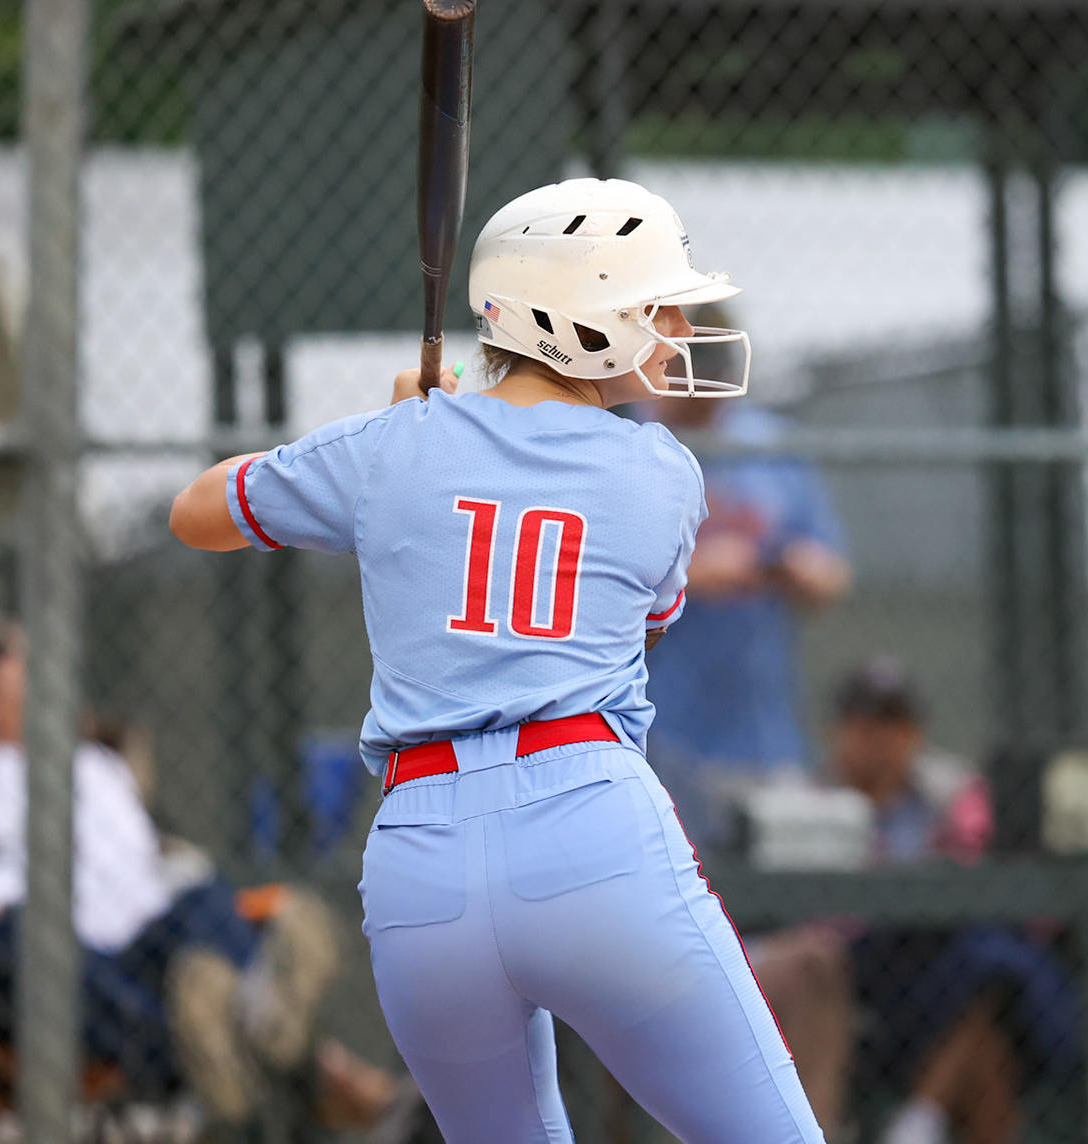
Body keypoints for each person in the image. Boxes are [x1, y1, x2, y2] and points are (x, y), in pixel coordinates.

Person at [168, 177, 826, 1144]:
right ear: (579, 321)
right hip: (590, 828)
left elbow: (197, 513)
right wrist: (445, 424)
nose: (674, 327)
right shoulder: (662, 472)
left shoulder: (393, 444)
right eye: (649, 305)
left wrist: (404, 428)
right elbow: (645, 616)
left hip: (417, 863)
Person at [0, 611, 370, 1134]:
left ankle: (232, 1024)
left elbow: (141, 885)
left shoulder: (60, 772)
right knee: (22, 933)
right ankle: (237, 1045)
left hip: (118, 959)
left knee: (202, 894)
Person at [759, 659, 1083, 1144]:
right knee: (991, 979)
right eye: (865, 722)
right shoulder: (803, 803)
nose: (880, 738)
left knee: (992, 979)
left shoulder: (952, 795)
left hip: (934, 969)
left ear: (917, 732)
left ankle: (919, 1119)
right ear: (836, 730)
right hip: (854, 973)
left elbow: (986, 884)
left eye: (895, 722)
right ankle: (919, 1121)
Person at [640, 305, 851, 844]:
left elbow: (831, 574)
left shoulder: (769, 442)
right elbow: (583, 586)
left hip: (762, 727)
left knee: (771, 888)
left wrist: (805, 571)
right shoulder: (628, 442)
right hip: (655, 727)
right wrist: (687, 576)